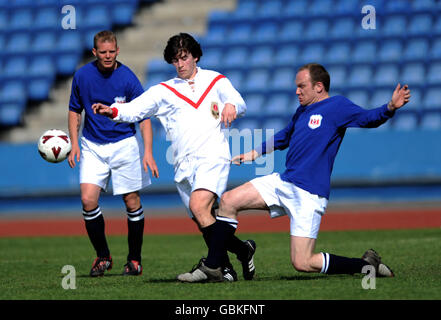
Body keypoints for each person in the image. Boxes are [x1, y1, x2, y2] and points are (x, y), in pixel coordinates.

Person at [180, 63, 411, 282]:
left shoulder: (337, 106)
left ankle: (366, 266)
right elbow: (285, 136)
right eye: (296, 86)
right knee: (229, 201)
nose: (297, 91)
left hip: (308, 194)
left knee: (303, 262)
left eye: (302, 86)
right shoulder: (302, 111)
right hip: (284, 182)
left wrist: (390, 108)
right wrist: (255, 152)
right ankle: (214, 266)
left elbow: (368, 119)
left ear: (319, 87)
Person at [91, 33, 256, 282]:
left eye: (184, 57)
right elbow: (136, 108)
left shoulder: (215, 80)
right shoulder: (165, 90)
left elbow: (238, 101)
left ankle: (213, 267)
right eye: (175, 60)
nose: (180, 64)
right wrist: (112, 110)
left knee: (199, 206)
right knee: (204, 220)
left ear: (195, 56)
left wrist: (232, 105)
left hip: (213, 156)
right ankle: (237, 256)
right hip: (183, 164)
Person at [68, 30, 159, 277]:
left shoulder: (128, 78)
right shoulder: (82, 75)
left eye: (112, 52)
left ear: (117, 51)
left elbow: (144, 117)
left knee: (131, 201)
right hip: (92, 145)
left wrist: (148, 152)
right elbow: (75, 110)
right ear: (94, 52)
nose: (107, 56)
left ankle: (135, 260)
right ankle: (103, 256)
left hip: (124, 143)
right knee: (88, 200)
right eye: (103, 52)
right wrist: (74, 143)